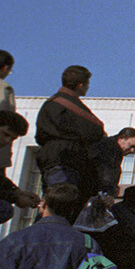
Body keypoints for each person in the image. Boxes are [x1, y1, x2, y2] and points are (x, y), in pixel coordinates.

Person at [34, 65, 105, 193]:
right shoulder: (72, 106)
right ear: (80, 85)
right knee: (63, 199)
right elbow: (96, 129)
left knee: (51, 197)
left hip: (48, 155)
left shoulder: (50, 103)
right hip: (67, 156)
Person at [89, 128, 135, 200]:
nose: (132, 150)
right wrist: (109, 193)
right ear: (121, 138)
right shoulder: (109, 149)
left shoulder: (114, 150)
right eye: (131, 146)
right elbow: (107, 174)